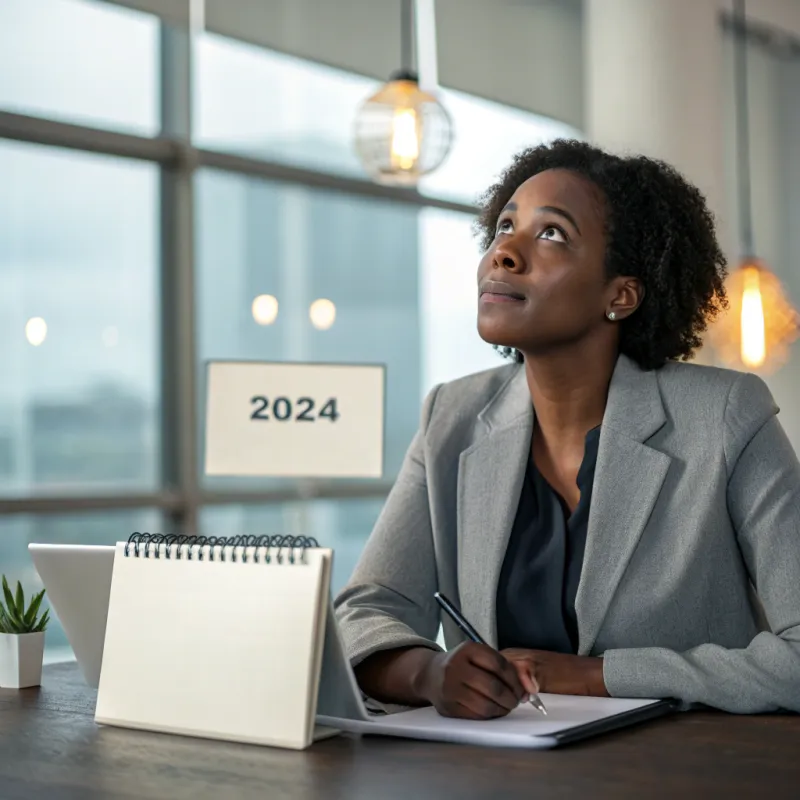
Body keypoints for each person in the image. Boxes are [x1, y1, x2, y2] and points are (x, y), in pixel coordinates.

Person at [335, 139, 800, 718]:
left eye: (550, 233)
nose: (505, 250)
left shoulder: (726, 416)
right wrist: (429, 672)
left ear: (621, 295)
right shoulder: (450, 418)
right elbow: (365, 611)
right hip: (495, 772)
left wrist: (598, 676)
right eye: (505, 226)